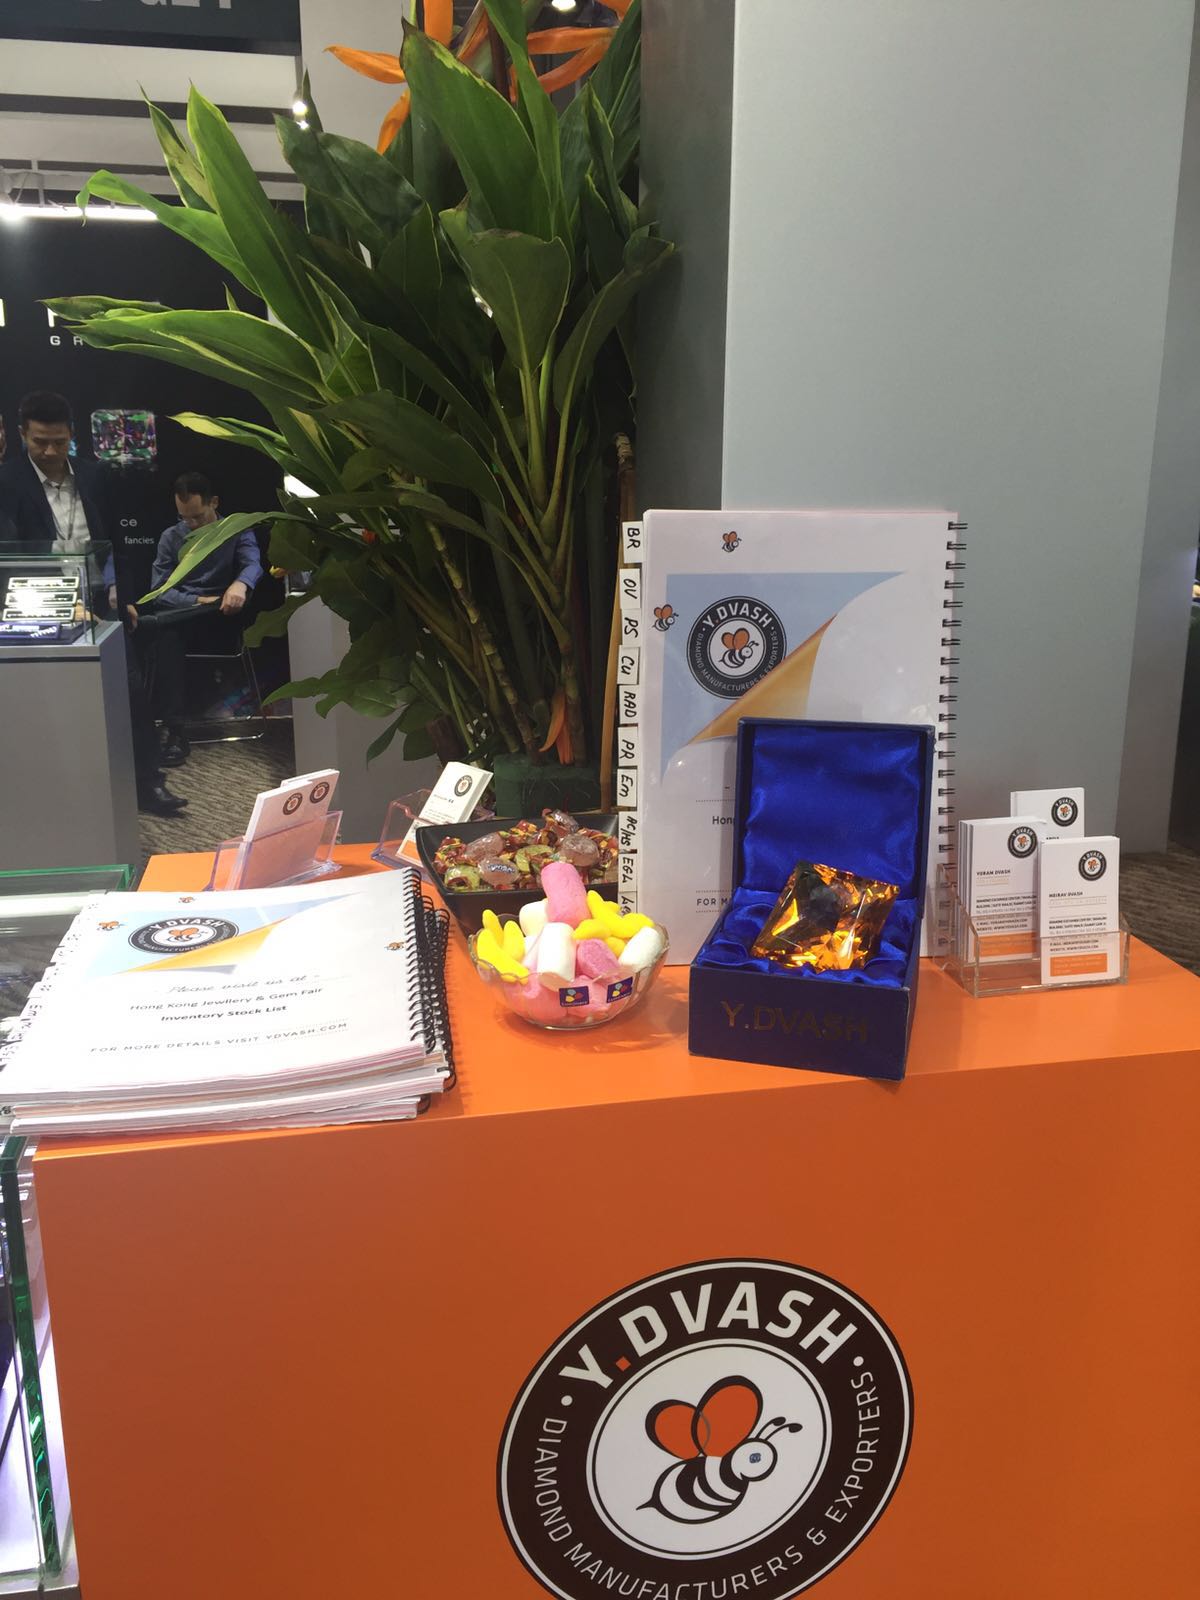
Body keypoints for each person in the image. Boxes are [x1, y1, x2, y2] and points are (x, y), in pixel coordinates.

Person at [0, 391, 186, 816]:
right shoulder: (7, 482)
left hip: (99, 601)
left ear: (72, 435)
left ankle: (147, 783)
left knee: (129, 691)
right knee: (53, 701)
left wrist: (126, 595)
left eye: (59, 442)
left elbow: (118, 541)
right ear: (23, 434)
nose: (50, 451)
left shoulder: (94, 475)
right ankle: (63, 792)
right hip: (40, 605)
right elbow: (8, 553)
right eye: (40, 442)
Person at [131, 471, 263, 768]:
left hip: (223, 615)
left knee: (162, 625)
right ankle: (175, 730)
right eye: (184, 518)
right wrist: (196, 602)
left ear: (213, 502)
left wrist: (240, 584)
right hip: (184, 616)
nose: (191, 524)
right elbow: (160, 590)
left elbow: (252, 564)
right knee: (167, 636)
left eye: (198, 517)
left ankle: (150, 624)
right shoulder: (171, 537)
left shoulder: (236, 529)